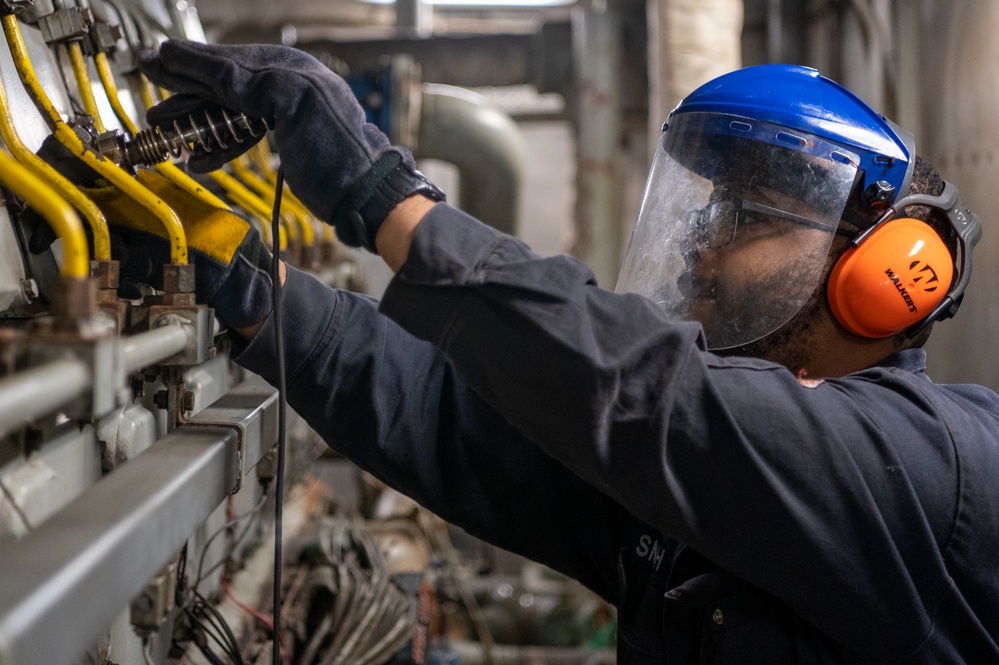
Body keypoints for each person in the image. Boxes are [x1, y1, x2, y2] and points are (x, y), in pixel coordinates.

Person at [102, 40, 998, 663]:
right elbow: (456, 426)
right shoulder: (700, 488)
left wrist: (389, 199)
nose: (699, 245)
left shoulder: (938, 470)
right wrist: (255, 291)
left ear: (891, 269)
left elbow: (655, 396)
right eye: (704, 211)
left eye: (746, 215)